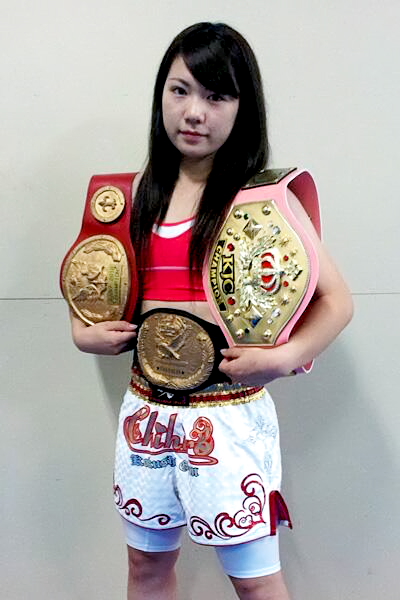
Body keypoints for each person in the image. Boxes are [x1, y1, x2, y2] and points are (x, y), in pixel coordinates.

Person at [69, 22, 353, 600]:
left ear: (242, 107)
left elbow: (337, 302)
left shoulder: (262, 199)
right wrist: (83, 334)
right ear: (161, 95)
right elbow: (90, 297)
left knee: (257, 582)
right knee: (145, 570)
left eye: (216, 96)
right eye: (180, 90)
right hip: (147, 412)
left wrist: (287, 357)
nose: (194, 112)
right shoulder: (125, 198)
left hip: (229, 417)